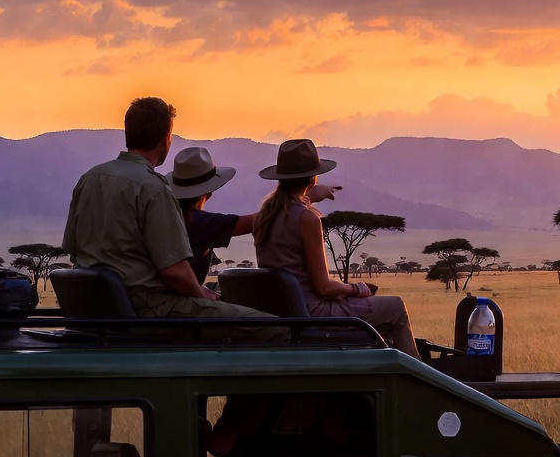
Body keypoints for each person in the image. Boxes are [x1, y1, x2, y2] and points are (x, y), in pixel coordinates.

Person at [61, 97, 284, 339]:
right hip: (150, 309)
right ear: (165, 138)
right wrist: (202, 294)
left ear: (128, 133)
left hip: (98, 309)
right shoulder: (153, 188)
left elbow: (72, 248)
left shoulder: (89, 178)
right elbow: (174, 272)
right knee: (276, 328)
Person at [253, 139, 420, 358]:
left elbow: (292, 211)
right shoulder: (307, 218)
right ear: (313, 177)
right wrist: (357, 288)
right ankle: (418, 375)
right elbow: (324, 288)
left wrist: (310, 197)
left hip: (286, 312)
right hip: (313, 314)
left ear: (280, 178)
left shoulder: (265, 216)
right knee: (395, 307)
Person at [165, 146, 339, 285]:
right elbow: (263, 218)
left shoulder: (170, 216)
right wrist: (309, 196)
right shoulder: (202, 222)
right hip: (180, 302)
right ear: (210, 191)